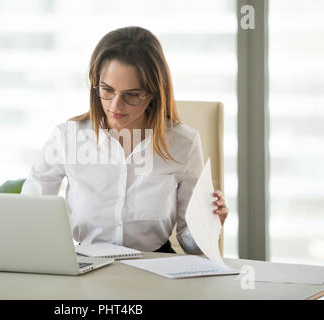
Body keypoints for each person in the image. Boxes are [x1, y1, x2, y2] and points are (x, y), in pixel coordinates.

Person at [21, 26, 229, 254]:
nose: (115, 106)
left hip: (156, 268)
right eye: (107, 89)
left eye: (131, 95)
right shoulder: (67, 138)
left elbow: (191, 245)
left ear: (153, 93)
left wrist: (207, 224)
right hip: (87, 266)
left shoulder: (184, 144)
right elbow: (30, 219)